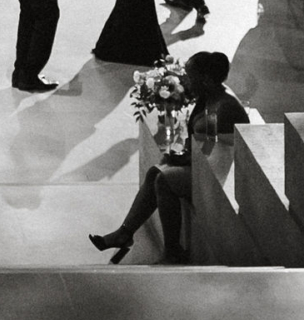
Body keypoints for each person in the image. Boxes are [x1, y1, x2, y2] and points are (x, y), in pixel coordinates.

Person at [90, 49, 249, 262]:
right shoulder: (210, 96)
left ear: (206, 79)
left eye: (191, 77)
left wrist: (180, 158)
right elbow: (206, 143)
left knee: (164, 180)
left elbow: (208, 147)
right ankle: (125, 233)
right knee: (155, 172)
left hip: (219, 172)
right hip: (208, 161)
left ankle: (172, 250)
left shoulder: (222, 108)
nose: (186, 82)